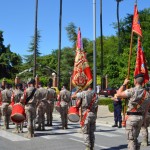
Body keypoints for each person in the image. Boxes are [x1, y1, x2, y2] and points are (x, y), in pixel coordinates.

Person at [116, 73, 150, 150]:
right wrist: (143, 120)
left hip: (131, 118)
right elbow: (147, 108)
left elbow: (118, 94)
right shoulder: (147, 94)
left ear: (135, 81)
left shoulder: (131, 91)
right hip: (141, 118)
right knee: (135, 139)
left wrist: (124, 84)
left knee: (131, 140)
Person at [74, 83, 98, 150]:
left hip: (86, 115)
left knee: (85, 132)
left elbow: (73, 96)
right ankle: (92, 147)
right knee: (91, 132)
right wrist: (95, 116)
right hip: (93, 114)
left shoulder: (83, 93)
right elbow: (96, 107)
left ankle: (88, 147)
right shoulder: (96, 95)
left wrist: (78, 90)